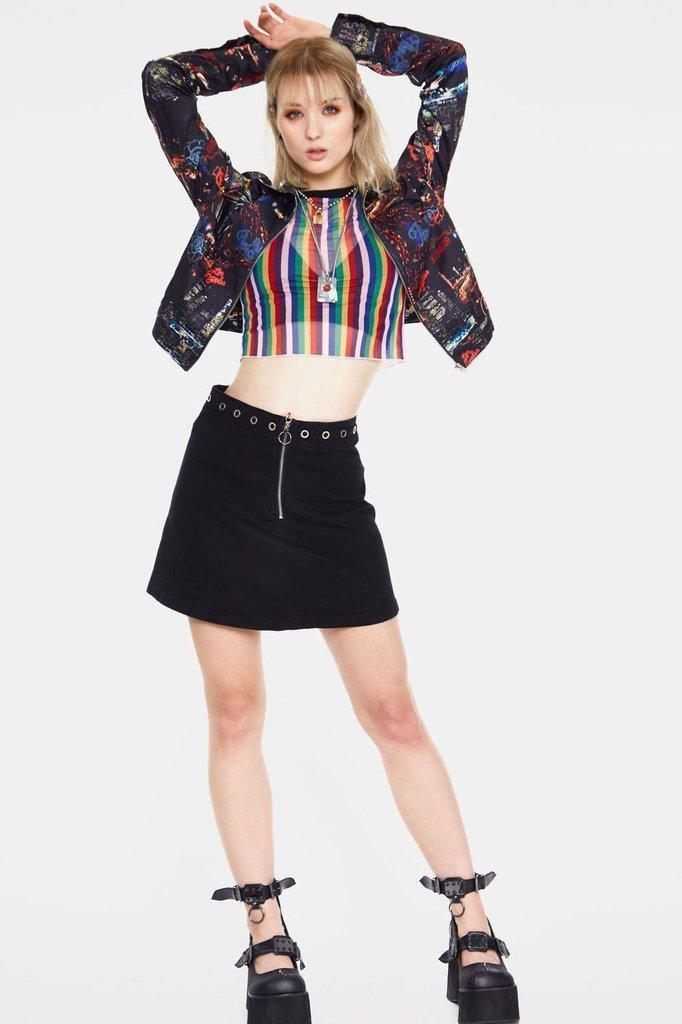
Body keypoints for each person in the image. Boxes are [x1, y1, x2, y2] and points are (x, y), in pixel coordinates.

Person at [142, 7, 518, 1024]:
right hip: (226, 467)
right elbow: (164, 83)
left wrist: (336, 36)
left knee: (392, 713)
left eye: (329, 108)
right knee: (235, 711)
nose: (311, 129)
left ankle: (472, 926)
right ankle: (268, 943)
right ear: (275, 121)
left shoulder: (406, 208)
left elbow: (448, 69)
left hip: (325, 481)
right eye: (292, 111)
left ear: (356, 112)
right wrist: (258, 58)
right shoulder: (241, 207)